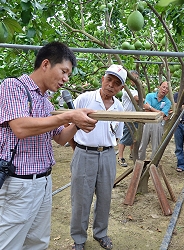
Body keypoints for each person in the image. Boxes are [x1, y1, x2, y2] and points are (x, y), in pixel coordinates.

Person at [0, 41, 97, 250]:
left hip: (43, 182)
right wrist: (69, 115)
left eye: (69, 75)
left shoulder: (46, 102)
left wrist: (77, 124)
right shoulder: (13, 87)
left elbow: (61, 138)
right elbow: (20, 127)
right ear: (45, 64)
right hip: (17, 184)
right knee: (5, 244)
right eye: (64, 71)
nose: (65, 79)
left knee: (37, 243)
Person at [70, 64, 126, 250]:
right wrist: (78, 150)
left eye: (116, 83)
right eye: (109, 79)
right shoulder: (85, 99)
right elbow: (69, 126)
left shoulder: (119, 107)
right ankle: (79, 239)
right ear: (102, 79)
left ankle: (100, 233)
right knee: (81, 198)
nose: (111, 85)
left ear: (121, 88)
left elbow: (117, 135)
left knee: (105, 196)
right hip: (84, 152)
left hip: (108, 154)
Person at [138, 81, 171, 161]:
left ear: (168, 91)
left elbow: (162, 114)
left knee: (156, 146)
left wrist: (150, 108)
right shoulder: (150, 96)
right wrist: (157, 112)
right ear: (159, 87)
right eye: (163, 87)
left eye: (167, 88)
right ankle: (139, 162)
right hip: (147, 122)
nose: (164, 89)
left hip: (158, 124)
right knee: (143, 145)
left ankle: (152, 165)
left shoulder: (167, 102)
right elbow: (146, 110)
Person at [117, 70, 139, 167]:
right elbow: (137, 99)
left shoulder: (136, 89)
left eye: (137, 78)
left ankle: (132, 154)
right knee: (125, 137)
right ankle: (120, 157)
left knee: (134, 137)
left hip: (135, 117)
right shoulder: (127, 89)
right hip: (128, 116)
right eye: (134, 78)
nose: (135, 80)